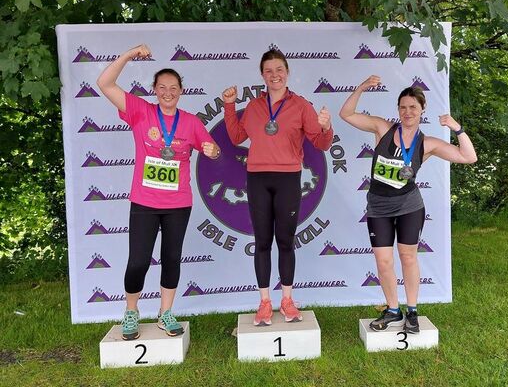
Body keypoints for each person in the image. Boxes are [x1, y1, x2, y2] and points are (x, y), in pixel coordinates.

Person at [97, 45, 221, 340]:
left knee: (171, 258)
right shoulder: (140, 111)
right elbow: (104, 83)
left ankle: (165, 313)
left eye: (173, 88)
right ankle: (131, 312)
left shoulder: (190, 122)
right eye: (162, 87)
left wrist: (212, 150)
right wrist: (127, 55)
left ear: (181, 91)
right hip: (144, 201)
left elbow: (212, 150)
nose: (168, 92)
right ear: (154, 90)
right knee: (138, 260)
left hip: (179, 203)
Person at [340, 75, 477, 333]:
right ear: (398, 110)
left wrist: (457, 128)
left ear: (422, 110)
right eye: (403, 107)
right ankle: (393, 310)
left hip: (409, 207)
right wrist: (360, 88)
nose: (407, 112)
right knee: (383, 262)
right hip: (378, 207)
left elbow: (468, 157)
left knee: (408, 257)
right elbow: (346, 114)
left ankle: (412, 311)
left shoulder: (427, 144)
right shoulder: (382, 128)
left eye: (413, 107)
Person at [221, 49, 333, 326]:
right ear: (262, 75)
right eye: (269, 71)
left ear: (287, 72)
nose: (274, 75)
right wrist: (229, 105)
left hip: (288, 179)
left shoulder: (301, 106)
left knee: (285, 241)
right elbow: (236, 137)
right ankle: (264, 303)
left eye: (279, 70)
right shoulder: (255, 107)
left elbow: (321, 144)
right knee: (262, 243)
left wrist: (327, 126)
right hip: (258, 179)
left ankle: (287, 300)